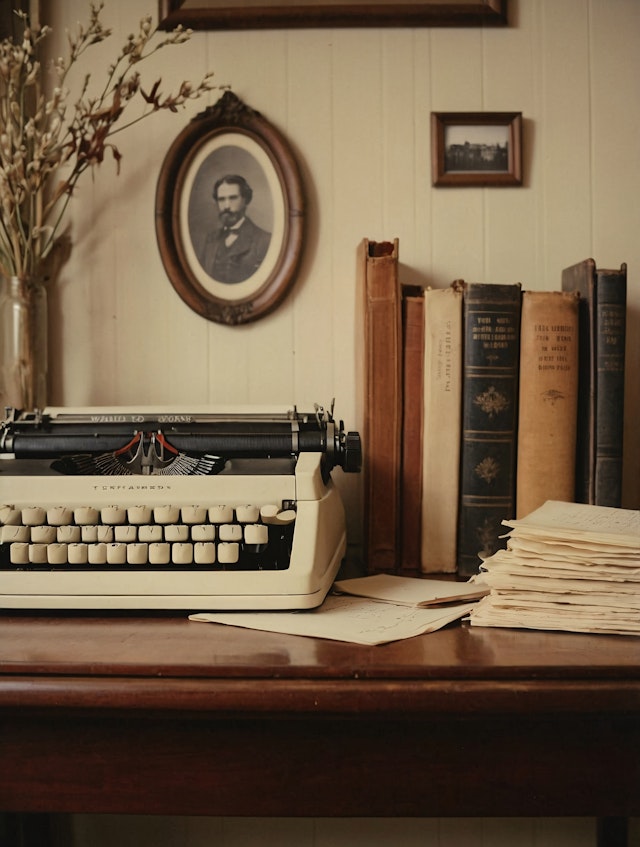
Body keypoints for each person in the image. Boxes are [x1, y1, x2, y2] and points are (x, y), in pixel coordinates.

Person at [201, 174, 271, 284]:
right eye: (221, 199)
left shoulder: (265, 241)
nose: (226, 206)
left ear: (246, 200)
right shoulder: (211, 239)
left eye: (233, 198)